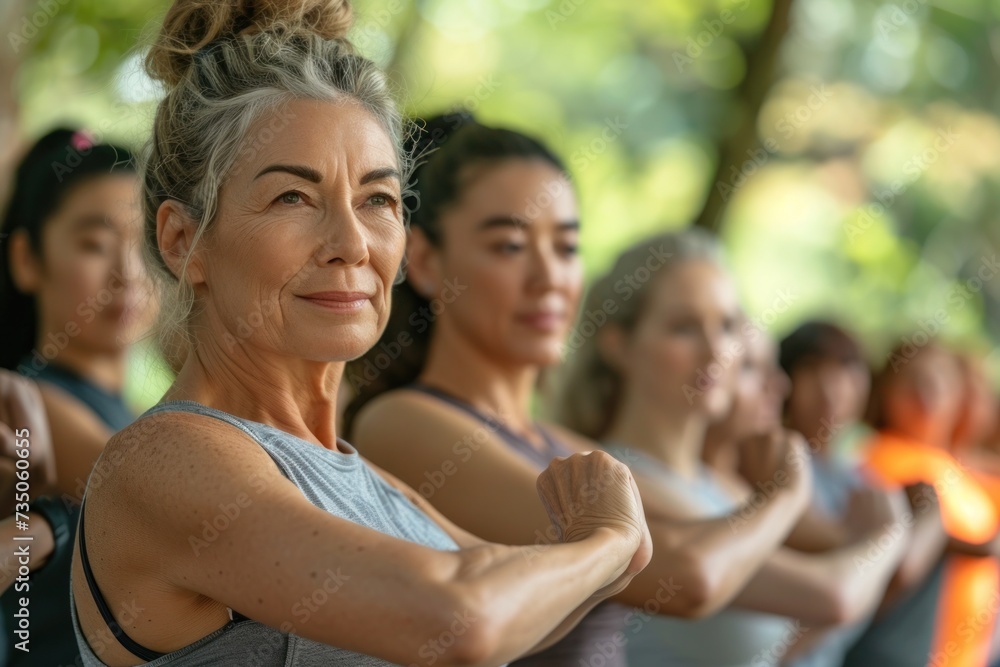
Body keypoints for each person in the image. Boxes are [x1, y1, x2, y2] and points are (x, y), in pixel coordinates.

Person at [69, 1, 653, 665]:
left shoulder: (360, 474)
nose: (352, 243)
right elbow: (461, 617)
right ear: (183, 241)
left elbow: (524, 599)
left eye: (378, 199)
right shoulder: (164, 459)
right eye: (293, 198)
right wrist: (607, 539)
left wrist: (604, 547)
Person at [344, 113, 816, 665]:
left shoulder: (559, 444)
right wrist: (786, 493)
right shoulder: (403, 423)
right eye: (510, 246)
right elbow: (690, 577)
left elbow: (722, 555)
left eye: (566, 248)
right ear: (423, 260)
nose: (549, 279)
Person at [558, 229, 912, 667]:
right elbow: (832, 595)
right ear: (618, 344)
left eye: (726, 326)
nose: (715, 351)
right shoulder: (618, 481)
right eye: (684, 328)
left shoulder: (721, 485)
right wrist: (889, 533)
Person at [0, 127, 153, 666]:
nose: (128, 274)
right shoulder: (25, 403)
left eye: (145, 245)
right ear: (27, 259)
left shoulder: (136, 416)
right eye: (95, 244)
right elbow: (165, 506)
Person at [863, 340, 1000, 667]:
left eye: (940, 376)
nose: (927, 390)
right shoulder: (882, 459)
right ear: (886, 392)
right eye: (913, 378)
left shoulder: (955, 468)